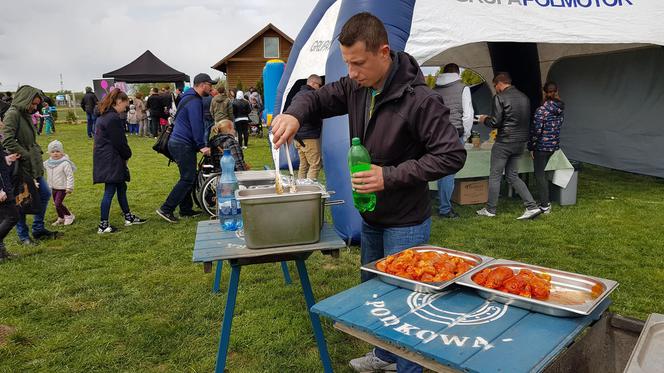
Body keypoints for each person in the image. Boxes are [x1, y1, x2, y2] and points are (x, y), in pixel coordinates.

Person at [270, 12, 466, 373]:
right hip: (371, 216)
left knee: (407, 303)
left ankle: (409, 368)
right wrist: (295, 114)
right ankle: (384, 356)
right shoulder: (356, 86)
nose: (352, 72)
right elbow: (315, 98)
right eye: (347, 63)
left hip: (406, 222)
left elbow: (452, 155)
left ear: (384, 52)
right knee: (375, 294)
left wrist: (389, 176)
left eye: (358, 63)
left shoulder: (420, 100)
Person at [477, 72, 542, 220]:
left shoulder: (499, 98)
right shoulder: (524, 97)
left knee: (495, 176)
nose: (495, 89)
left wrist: (484, 119)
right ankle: (532, 206)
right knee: (512, 175)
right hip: (520, 143)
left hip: (504, 142)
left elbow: (495, 122)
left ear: (500, 83)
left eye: (495, 86)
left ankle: (490, 210)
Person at [1, 85, 60, 245]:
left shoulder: (25, 114)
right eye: (33, 104)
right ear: (25, 100)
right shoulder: (12, 114)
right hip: (21, 166)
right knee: (21, 200)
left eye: (36, 104)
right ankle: (23, 236)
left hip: (33, 164)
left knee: (45, 194)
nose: (35, 107)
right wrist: (25, 154)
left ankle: (38, 229)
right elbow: (7, 140)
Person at [156, 73, 214, 223]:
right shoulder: (194, 101)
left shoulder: (187, 97)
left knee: (190, 176)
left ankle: (185, 209)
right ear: (202, 85)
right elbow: (197, 125)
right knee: (187, 178)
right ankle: (166, 209)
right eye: (210, 84)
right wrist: (202, 145)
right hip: (182, 143)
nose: (211, 87)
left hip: (178, 142)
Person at [93, 89, 146, 233]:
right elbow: (119, 141)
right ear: (118, 101)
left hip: (106, 157)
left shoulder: (103, 116)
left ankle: (128, 217)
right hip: (111, 158)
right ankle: (103, 225)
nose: (126, 107)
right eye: (125, 103)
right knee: (110, 190)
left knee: (121, 187)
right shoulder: (112, 118)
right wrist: (127, 154)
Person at [434, 63, 474, 219]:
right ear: (458, 73)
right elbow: (468, 114)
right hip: (454, 133)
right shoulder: (463, 87)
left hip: (437, 134)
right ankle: (445, 209)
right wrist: (466, 134)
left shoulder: (435, 89)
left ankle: (441, 200)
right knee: (449, 171)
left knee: (440, 170)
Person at [528, 81, 564, 214]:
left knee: (539, 175)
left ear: (544, 92)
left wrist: (531, 146)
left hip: (541, 146)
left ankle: (545, 204)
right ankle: (545, 201)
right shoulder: (560, 109)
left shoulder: (541, 110)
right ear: (557, 91)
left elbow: (536, 131)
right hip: (553, 145)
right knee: (544, 173)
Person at [292, 74, 323, 180]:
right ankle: (311, 189)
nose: (319, 88)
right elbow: (313, 115)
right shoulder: (312, 95)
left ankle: (301, 189)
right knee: (315, 165)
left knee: (303, 165)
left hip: (297, 137)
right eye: (319, 85)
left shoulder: (298, 95)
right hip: (309, 136)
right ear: (313, 83)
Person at [43, 140, 76, 226]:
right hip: (53, 187)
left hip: (62, 187)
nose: (55, 153)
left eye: (58, 151)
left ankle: (69, 215)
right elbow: (40, 167)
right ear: (49, 153)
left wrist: (69, 187)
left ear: (62, 152)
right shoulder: (48, 163)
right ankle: (61, 217)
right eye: (53, 152)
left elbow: (70, 176)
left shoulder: (65, 163)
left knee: (58, 203)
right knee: (56, 204)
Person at [0, 145, 20, 261]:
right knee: (13, 216)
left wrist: (6, 159)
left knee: (2, 218)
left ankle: (1, 254)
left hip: (4, 184)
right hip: (3, 189)